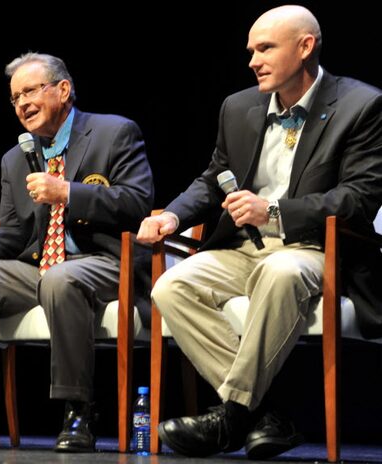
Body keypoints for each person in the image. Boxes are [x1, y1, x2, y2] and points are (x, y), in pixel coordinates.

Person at [137, 5, 382, 460]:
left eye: (266, 47)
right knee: (172, 286)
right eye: (251, 50)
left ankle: (231, 414)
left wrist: (272, 210)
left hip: (315, 246)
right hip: (244, 246)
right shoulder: (239, 105)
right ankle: (262, 413)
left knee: (282, 272)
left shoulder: (360, 105)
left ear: (305, 46)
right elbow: (214, 177)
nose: (253, 60)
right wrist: (172, 215)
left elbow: (358, 197)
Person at [0, 53, 154, 453]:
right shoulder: (15, 158)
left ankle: (78, 409)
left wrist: (68, 193)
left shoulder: (113, 133)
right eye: (15, 97)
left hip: (111, 263)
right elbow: (12, 233)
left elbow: (137, 202)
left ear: (63, 90)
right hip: (43, 267)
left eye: (30, 91)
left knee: (61, 278)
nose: (23, 103)